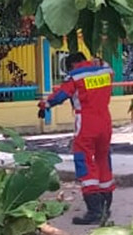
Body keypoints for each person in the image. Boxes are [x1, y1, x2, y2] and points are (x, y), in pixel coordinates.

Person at [38, 51, 115, 225]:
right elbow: (109, 69)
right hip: (105, 122)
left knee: (85, 162)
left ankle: (94, 211)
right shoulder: (105, 72)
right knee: (103, 160)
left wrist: (45, 105)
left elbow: (60, 96)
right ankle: (105, 207)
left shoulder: (75, 77)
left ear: (72, 64)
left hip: (86, 123)